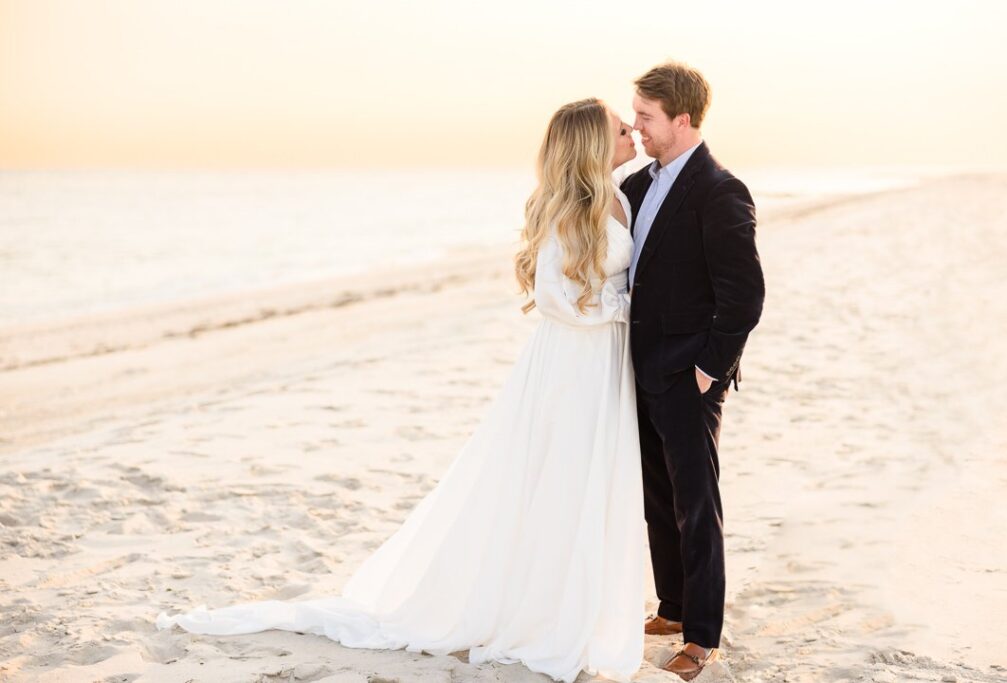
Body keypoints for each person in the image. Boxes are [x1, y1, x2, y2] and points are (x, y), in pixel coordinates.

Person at [157, 98, 648, 683]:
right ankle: (539, 610)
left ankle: (579, 603)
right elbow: (552, 299)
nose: (632, 132)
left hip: (605, 362)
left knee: (594, 480)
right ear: (593, 144)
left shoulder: (622, 197)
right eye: (621, 128)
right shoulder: (569, 210)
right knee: (559, 477)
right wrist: (625, 309)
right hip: (572, 363)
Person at [620, 61, 765, 681]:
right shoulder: (633, 186)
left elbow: (745, 295)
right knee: (658, 497)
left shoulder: (718, 189)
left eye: (646, 117)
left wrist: (710, 367)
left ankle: (702, 636)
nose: (636, 126)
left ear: (682, 119)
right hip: (639, 367)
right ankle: (673, 607)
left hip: (689, 374)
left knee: (696, 503)